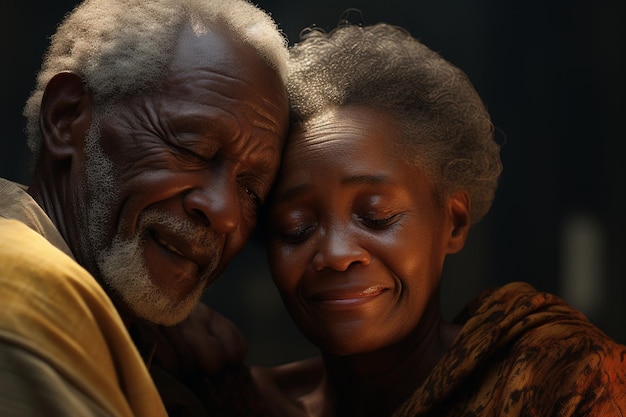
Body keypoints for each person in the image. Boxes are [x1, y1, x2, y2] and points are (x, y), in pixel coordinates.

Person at [251, 23, 626, 416]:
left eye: (376, 216)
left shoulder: (566, 380)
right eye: (296, 228)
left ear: (454, 222)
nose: (336, 254)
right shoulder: (239, 404)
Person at [0, 0, 289, 415]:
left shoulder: (139, 343)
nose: (225, 213)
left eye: (252, 192)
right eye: (192, 148)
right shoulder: (28, 290)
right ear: (66, 119)